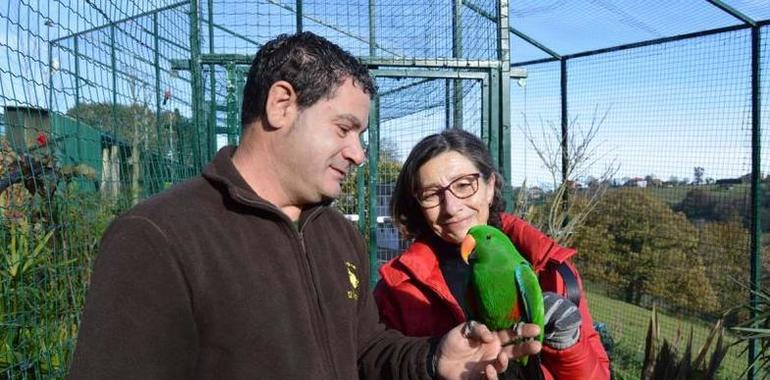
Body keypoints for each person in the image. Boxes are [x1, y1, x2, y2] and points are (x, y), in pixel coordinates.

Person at [69, 32, 542, 379]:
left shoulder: (339, 235)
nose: (359, 152)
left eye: (360, 135)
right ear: (281, 105)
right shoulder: (159, 235)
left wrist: (434, 357)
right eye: (344, 128)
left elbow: (366, 350)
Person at [374, 129, 611, 379]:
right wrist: (432, 364)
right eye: (431, 195)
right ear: (417, 206)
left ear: (490, 186)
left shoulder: (550, 267)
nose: (452, 207)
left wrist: (567, 344)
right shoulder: (395, 290)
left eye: (464, 185)